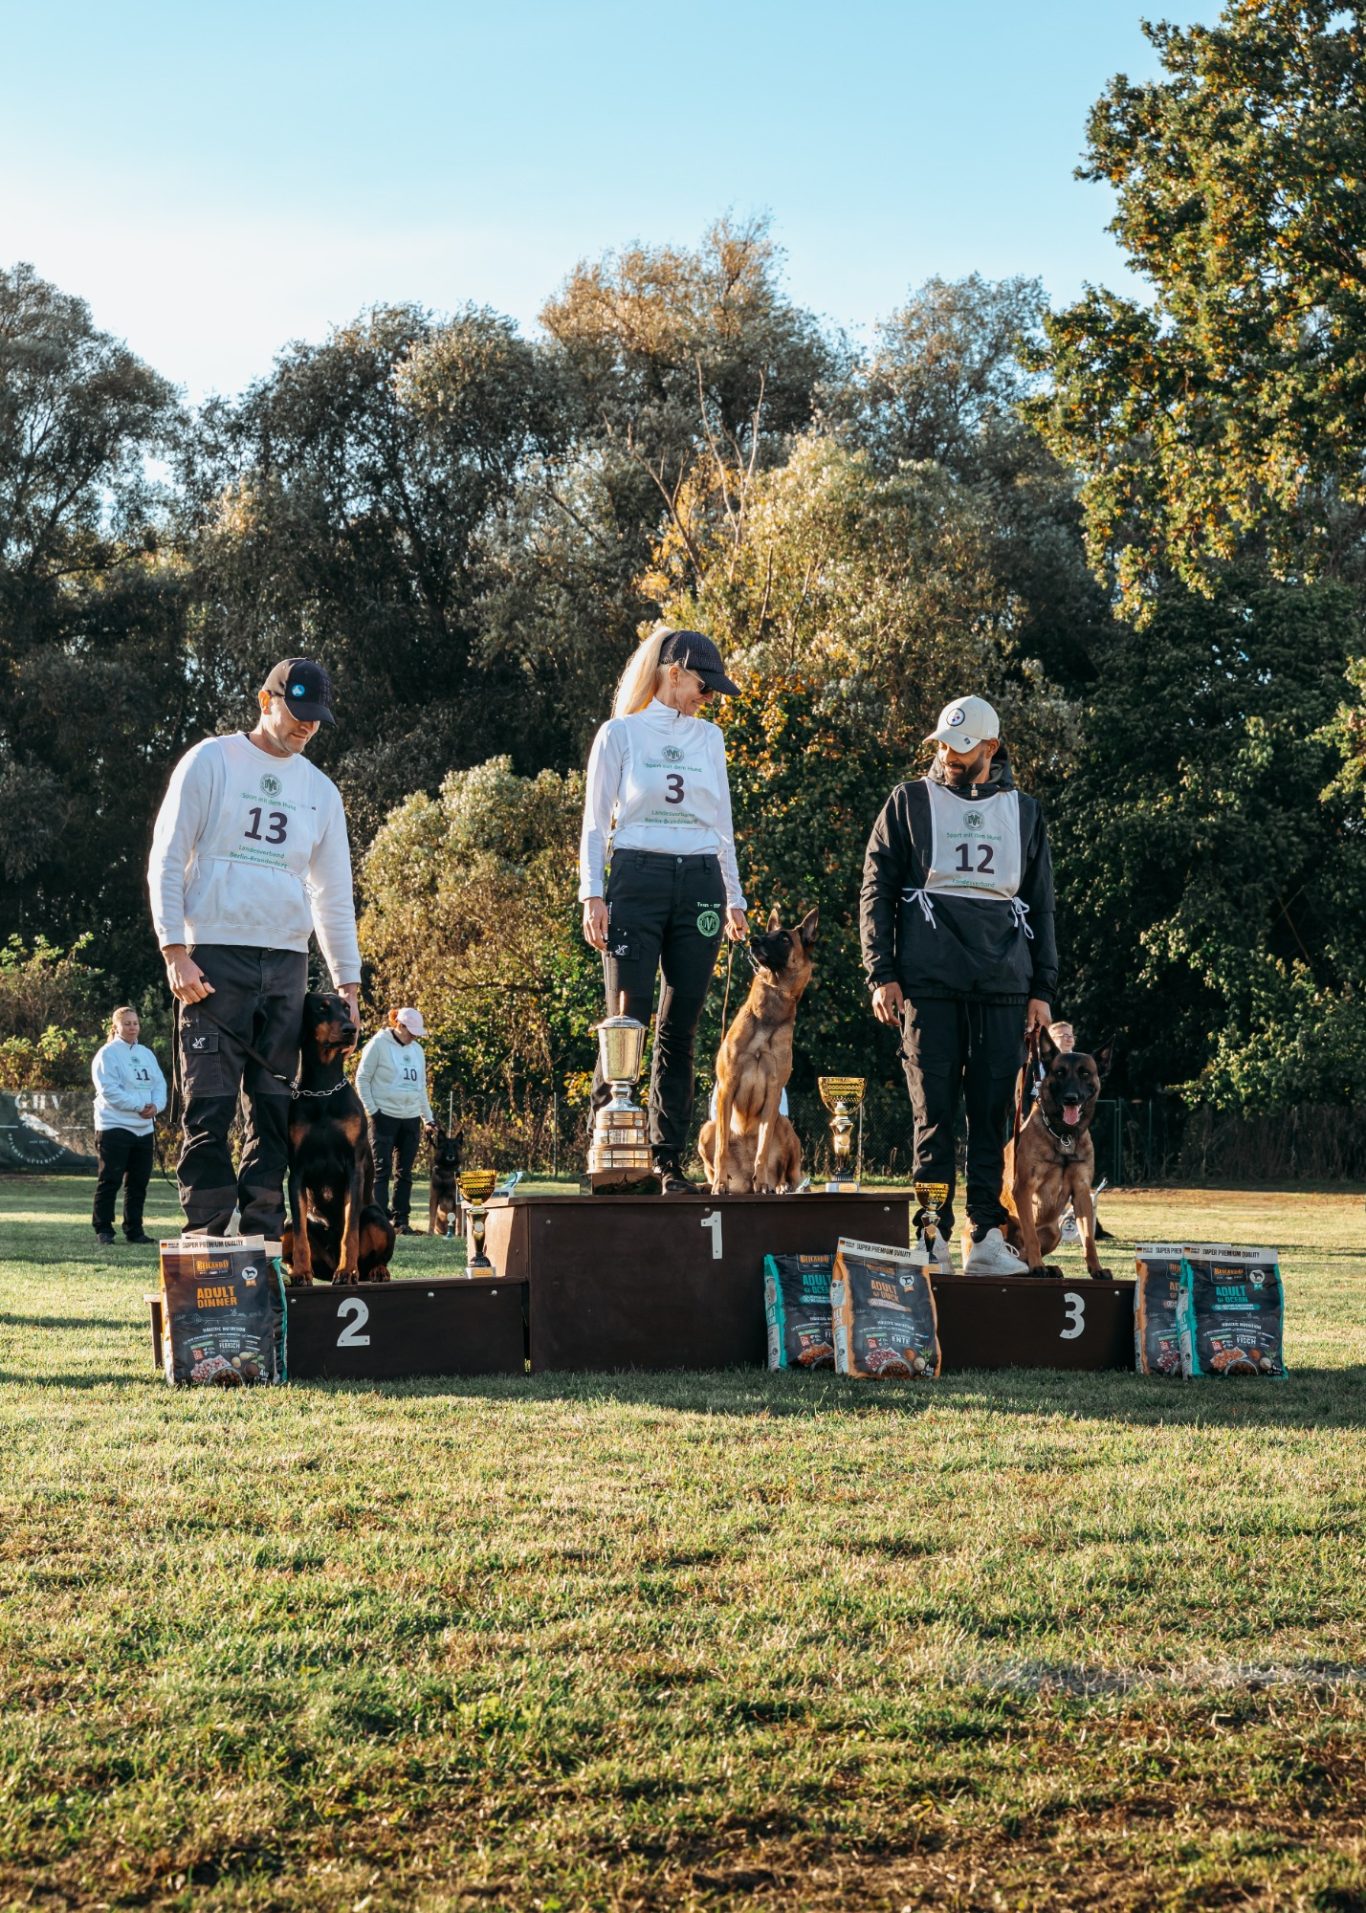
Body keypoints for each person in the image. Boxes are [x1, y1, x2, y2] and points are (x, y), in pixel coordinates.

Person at [147, 658, 361, 1240]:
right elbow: (167, 856)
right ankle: (206, 1240)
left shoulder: (320, 791)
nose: (306, 727)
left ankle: (263, 1245)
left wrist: (348, 984)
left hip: (287, 966)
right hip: (213, 960)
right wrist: (174, 949)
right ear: (266, 701)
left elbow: (333, 895)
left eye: (316, 719)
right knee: (210, 1109)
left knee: (271, 1113)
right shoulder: (210, 760)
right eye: (297, 713)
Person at [860, 694, 1058, 1275]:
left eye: (962, 746)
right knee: (934, 1117)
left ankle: (987, 1237)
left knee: (993, 1119)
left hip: (1004, 987)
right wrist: (881, 972)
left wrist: (1042, 991)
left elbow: (1042, 904)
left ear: (990, 748)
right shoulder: (908, 801)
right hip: (928, 986)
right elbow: (876, 889)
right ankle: (931, 1235)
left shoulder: (1025, 812)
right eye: (944, 743)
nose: (949, 755)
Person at [578, 625, 749, 1192]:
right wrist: (592, 893)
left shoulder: (710, 739)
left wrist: (734, 896)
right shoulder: (620, 734)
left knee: (681, 1025)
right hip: (637, 877)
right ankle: (610, 1152)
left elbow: (722, 825)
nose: (708, 697)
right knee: (627, 1022)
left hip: (699, 880)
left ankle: (667, 1158)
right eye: (703, 686)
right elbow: (595, 823)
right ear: (673, 674)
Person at [90, 1006, 167, 1246]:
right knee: (110, 1180)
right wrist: (139, 1105)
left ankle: (134, 1230)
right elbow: (109, 1090)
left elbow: (160, 1084)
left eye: (135, 1023)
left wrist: (156, 1106)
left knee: (138, 1183)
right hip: (115, 1126)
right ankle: (104, 1229)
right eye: (127, 1023)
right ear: (116, 1027)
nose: (132, 1027)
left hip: (144, 1128)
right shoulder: (107, 1054)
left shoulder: (146, 1053)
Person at [355, 1007, 435, 1234]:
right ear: (399, 1025)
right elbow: (362, 1079)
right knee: (381, 1170)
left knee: (405, 1173)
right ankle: (378, 1219)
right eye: (411, 1032)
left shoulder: (417, 1050)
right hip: (384, 1118)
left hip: (410, 1119)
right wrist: (373, 1111)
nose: (414, 1037)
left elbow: (420, 1087)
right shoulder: (378, 1044)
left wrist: (428, 1119)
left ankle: (401, 1221)